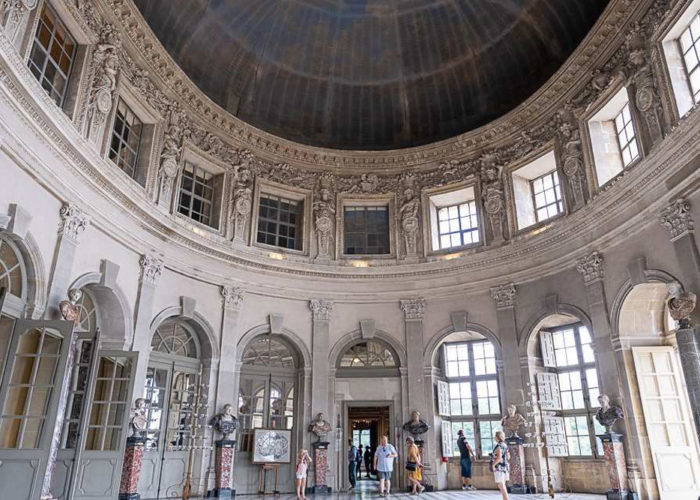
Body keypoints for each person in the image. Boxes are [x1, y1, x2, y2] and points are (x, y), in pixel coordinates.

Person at [492, 431, 510, 500]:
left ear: (497, 437)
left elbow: (499, 458)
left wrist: (493, 465)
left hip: (499, 467)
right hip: (505, 467)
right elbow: (508, 457)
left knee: (501, 485)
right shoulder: (505, 445)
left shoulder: (499, 446)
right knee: (502, 485)